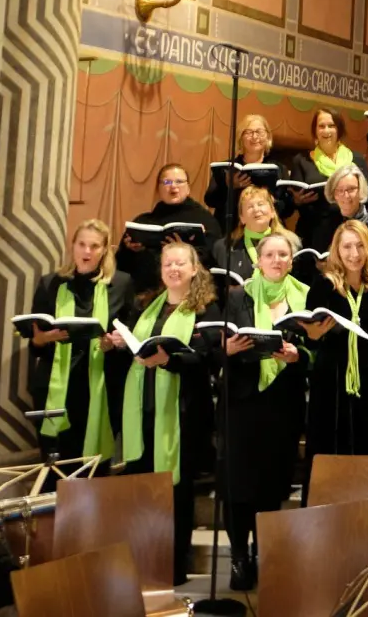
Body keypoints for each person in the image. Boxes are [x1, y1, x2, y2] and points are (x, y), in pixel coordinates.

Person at [117, 241, 217, 585]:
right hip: (142, 412)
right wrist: (121, 343)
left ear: (194, 269)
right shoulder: (148, 306)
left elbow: (206, 357)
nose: (173, 269)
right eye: (167, 264)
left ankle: (173, 567)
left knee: (176, 494)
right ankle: (143, 562)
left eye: (180, 264)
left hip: (182, 414)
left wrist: (169, 360)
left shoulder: (206, 309)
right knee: (141, 492)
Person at [217, 228, 309, 590]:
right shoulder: (236, 298)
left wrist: (297, 355)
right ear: (257, 260)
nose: (276, 260)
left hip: (282, 403)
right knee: (238, 486)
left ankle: (265, 551)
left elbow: (314, 351)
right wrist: (228, 350)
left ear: (291, 260)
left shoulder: (304, 298)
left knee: (272, 485)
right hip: (242, 403)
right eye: (269, 254)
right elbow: (214, 346)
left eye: (283, 255)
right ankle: (240, 556)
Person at [29, 220, 134, 467]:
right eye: (82, 244)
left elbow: (129, 336)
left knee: (93, 467)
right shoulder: (51, 283)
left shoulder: (121, 284)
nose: (87, 252)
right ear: (73, 245)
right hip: (55, 388)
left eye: (94, 246)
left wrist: (116, 342)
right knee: (55, 466)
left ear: (105, 249)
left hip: (101, 386)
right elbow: (35, 341)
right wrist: (41, 339)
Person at [303, 220, 368, 462]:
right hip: (333, 377)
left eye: (359, 246)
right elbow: (311, 336)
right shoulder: (323, 286)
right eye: (347, 247)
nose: (354, 254)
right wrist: (313, 337)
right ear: (337, 250)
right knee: (332, 447)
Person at [117, 164, 222, 301]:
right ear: (158, 188)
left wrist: (184, 251)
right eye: (167, 182)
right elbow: (120, 265)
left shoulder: (205, 220)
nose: (173, 186)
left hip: (189, 296)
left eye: (179, 181)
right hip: (145, 294)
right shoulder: (143, 221)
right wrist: (129, 250)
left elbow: (213, 259)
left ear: (188, 187)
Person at [203, 114, 292, 227]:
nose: (255, 137)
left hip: (268, 231)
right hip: (232, 229)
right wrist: (229, 186)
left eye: (259, 132)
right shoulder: (227, 167)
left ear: (268, 136)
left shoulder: (279, 169)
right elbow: (210, 201)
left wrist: (272, 201)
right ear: (241, 137)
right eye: (249, 132)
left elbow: (288, 210)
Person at [304, 162, 368, 260]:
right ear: (333, 194)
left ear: (360, 190)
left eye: (351, 189)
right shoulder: (322, 227)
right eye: (340, 190)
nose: (346, 196)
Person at [288, 108, 353, 235]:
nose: (326, 130)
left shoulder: (355, 159)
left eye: (331, 126)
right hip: (312, 228)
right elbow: (293, 201)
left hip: (347, 227)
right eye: (321, 126)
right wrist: (297, 201)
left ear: (339, 129)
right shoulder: (301, 160)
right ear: (315, 131)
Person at [219, 186, 287, 292]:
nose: (256, 209)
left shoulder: (289, 244)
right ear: (242, 218)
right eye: (250, 206)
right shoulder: (224, 247)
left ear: (273, 212)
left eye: (261, 204)